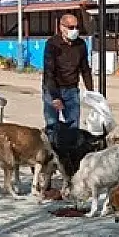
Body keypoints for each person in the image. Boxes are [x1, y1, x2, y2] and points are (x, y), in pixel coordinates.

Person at [42, 12, 94, 145]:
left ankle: (71, 158)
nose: (74, 30)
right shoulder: (52, 44)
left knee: (73, 127)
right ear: (62, 27)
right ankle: (52, 155)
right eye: (71, 27)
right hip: (53, 90)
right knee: (52, 126)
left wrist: (91, 92)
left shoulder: (80, 44)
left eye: (77, 27)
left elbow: (85, 69)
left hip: (71, 90)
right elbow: (49, 72)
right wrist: (55, 97)